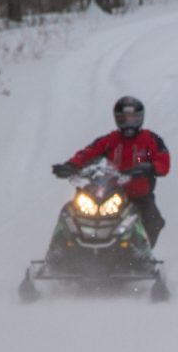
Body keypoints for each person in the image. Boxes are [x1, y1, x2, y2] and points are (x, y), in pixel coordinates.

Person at [52, 95, 170, 247]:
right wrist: (71, 166)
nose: (129, 123)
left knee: (153, 219)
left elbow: (161, 161)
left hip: (137, 195)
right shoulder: (110, 140)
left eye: (133, 118)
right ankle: (57, 253)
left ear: (140, 118)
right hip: (108, 190)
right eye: (124, 118)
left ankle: (143, 255)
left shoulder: (150, 140)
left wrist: (148, 167)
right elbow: (88, 153)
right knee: (69, 211)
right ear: (117, 119)